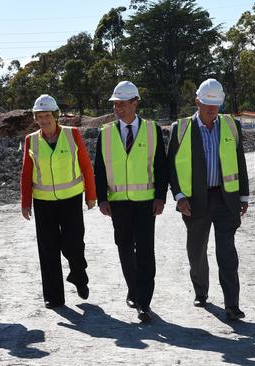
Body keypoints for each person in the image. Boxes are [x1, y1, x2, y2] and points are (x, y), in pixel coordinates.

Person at [168, 79, 249, 321]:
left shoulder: (231, 126)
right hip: (195, 201)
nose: (212, 109)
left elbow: (240, 162)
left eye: (216, 104)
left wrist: (243, 195)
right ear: (197, 102)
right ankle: (201, 292)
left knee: (227, 253)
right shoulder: (180, 129)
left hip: (225, 200)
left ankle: (232, 305)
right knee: (197, 251)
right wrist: (179, 196)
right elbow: (171, 166)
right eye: (207, 104)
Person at [94, 81, 168, 323]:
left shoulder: (152, 130)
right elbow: (100, 169)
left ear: (135, 103)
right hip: (118, 204)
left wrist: (160, 197)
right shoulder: (105, 133)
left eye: (122, 104)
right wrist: (102, 198)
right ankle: (133, 290)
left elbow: (160, 165)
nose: (118, 108)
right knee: (125, 248)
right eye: (115, 104)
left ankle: (144, 302)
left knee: (146, 251)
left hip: (146, 202)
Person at [20, 94, 97, 309]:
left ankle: (79, 276)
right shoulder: (31, 140)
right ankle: (53, 296)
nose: (43, 120)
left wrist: (91, 194)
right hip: (43, 202)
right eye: (39, 116)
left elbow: (86, 166)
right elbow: (26, 173)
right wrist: (25, 202)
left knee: (74, 244)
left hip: (71, 199)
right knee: (48, 249)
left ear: (56, 115)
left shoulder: (73, 135)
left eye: (47, 115)